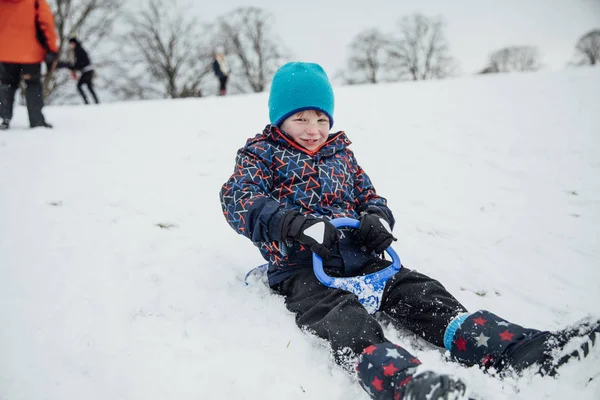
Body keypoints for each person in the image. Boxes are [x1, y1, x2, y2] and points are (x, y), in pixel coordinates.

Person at [219, 62, 599, 400]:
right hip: (304, 265)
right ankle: (401, 380)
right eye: (300, 119)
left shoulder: (341, 156)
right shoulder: (260, 155)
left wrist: (377, 219)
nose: (313, 130)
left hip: (362, 258)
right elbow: (238, 198)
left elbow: (369, 195)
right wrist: (293, 224)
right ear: (278, 118)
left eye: (321, 119)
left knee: (422, 293)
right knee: (342, 317)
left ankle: (520, 350)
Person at [0, 0, 58, 130]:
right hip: (30, 53)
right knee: (32, 85)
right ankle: (36, 121)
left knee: (6, 84)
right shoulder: (35, 2)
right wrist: (52, 49)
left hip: (5, 51)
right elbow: (46, 24)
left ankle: (4, 118)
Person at [58, 37, 99, 105]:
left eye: (70, 44)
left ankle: (87, 102)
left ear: (73, 43)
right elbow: (79, 64)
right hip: (88, 70)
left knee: (79, 86)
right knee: (89, 87)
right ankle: (96, 102)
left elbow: (79, 64)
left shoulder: (78, 50)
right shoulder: (79, 49)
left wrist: (70, 67)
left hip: (86, 71)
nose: (70, 46)